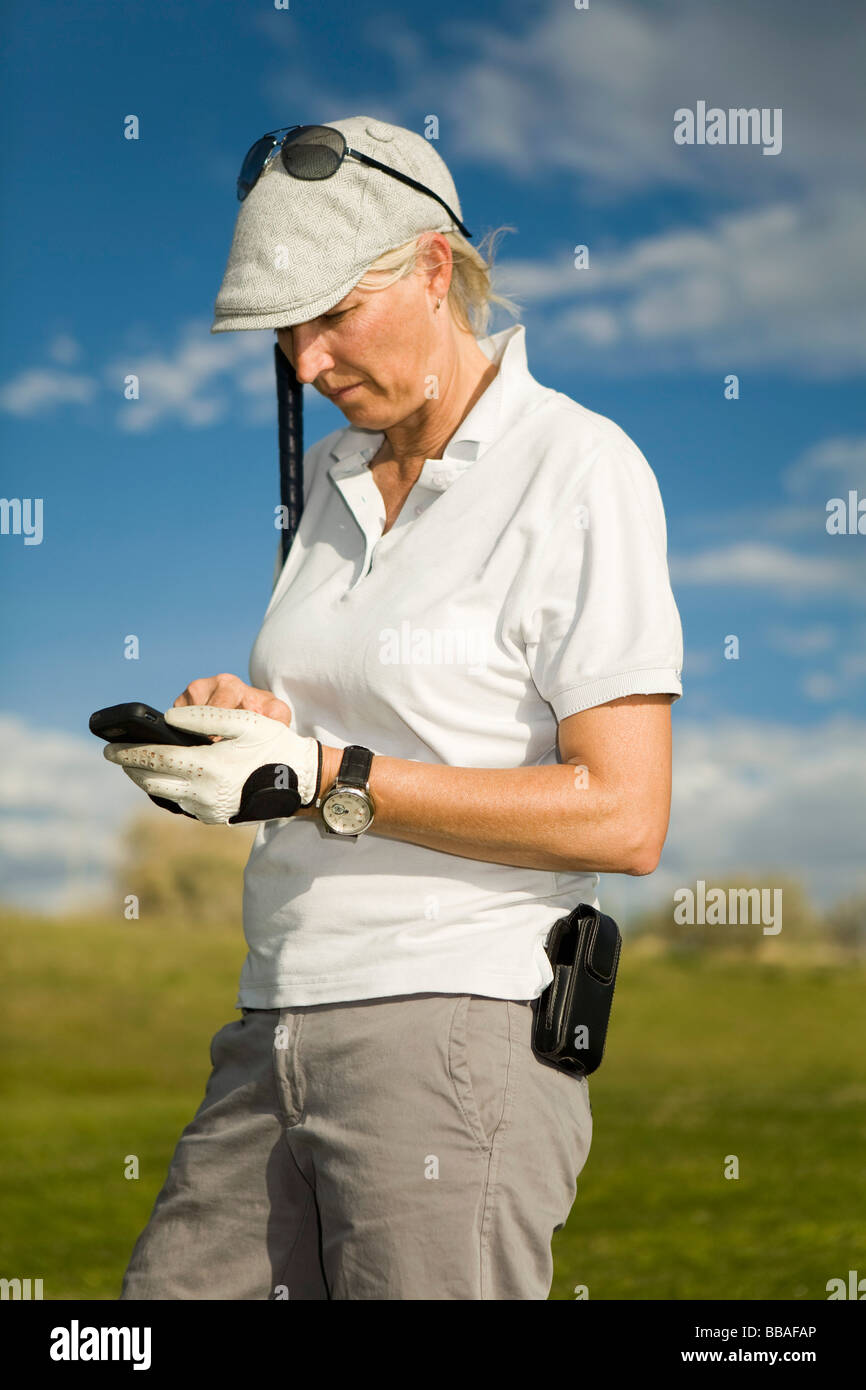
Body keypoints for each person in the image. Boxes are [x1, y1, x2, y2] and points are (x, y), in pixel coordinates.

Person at [107, 116, 683, 1301]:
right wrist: (256, 729)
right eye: (284, 334)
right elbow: (342, 722)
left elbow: (622, 815)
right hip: (272, 1015)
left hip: (456, 1031)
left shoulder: (578, 467)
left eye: (330, 317)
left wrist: (323, 776)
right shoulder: (328, 486)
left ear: (432, 268)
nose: (304, 365)